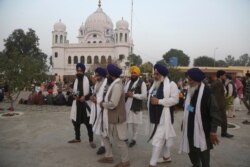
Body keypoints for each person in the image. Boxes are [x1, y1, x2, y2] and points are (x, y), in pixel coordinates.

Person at [179, 68, 221, 167]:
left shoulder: (207, 93)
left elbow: (215, 113)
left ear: (197, 80)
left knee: (204, 155)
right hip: (189, 128)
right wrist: (184, 120)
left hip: (203, 130)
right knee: (191, 152)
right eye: (188, 79)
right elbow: (190, 108)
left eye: (190, 80)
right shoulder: (190, 91)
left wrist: (213, 131)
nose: (188, 82)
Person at [98, 64, 130, 167]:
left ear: (111, 74)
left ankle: (125, 161)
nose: (106, 75)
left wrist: (102, 104)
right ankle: (108, 156)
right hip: (111, 117)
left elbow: (113, 103)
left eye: (107, 73)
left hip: (117, 118)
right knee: (105, 135)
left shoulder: (116, 86)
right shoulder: (114, 84)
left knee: (120, 140)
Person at [147, 63, 179, 167]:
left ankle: (152, 163)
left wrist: (159, 101)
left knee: (158, 139)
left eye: (157, 74)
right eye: (154, 74)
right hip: (155, 116)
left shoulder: (171, 84)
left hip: (165, 118)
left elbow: (175, 100)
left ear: (163, 75)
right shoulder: (155, 84)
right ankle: (166, 157)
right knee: (165, 137)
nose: (154, 76)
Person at [68, 63, 96, 148]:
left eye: (81, 71)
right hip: (77, 104)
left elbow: (92, 91)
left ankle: (91, 140)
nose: (79, 72)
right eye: (78, 70)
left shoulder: (88, 79)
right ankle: (77, 138)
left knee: (88, 123)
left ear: (83, 71)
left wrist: (85, 97)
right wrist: (74, 96)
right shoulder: (75, 80)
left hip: (86, 104)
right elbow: (74, 91)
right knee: (75, 122)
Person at [124, 66, 147, 147]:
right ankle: (125, 137)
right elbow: (124, 91)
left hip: (135, 107)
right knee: (126, 123)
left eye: (135, 73)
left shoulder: (142, 83)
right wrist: (126, 94)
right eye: (132, 73)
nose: (133, 74)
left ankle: (134, 139)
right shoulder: (128, 82)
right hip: (127, 106)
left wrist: (133, 95)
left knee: (135, 125)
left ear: (138, 73)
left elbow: (144, 96)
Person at [210, 70, 234, 138]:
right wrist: (220, 105)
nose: (225, 76)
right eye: (224, 75)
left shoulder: (218, 82)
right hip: (219, 105)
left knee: (217, 119)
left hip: (218, 104)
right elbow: (217, 96)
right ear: (220, 75)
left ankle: (223, 132)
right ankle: (223, 133)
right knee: (222, 119)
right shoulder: (218, 83)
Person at [89, 67, 107, 155]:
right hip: (96, 108)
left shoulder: (106, 83)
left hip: (102, 109)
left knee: (102, 128)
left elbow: (106, 97)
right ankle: (104, 144)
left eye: (97, 75)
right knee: (97, 127)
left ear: (102, 75)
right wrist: (92, 97)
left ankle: (104, 145)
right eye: (95, 75)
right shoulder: (97, 83)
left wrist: (97, 100)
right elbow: (95, 93)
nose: (95, 77)